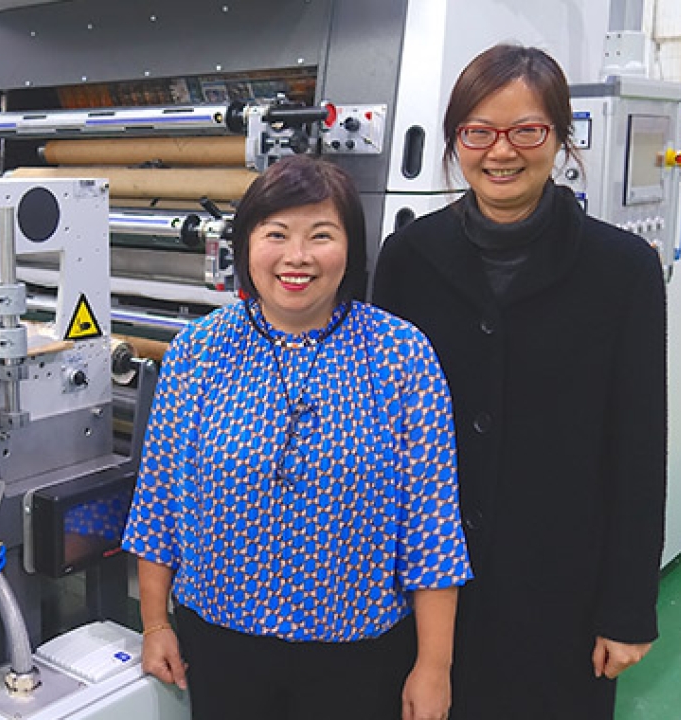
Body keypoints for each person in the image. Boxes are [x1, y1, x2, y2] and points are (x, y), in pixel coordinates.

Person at [372, 44, 668, 719]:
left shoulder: (621, 270)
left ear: (561, 138)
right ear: (456, 142)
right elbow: (380, 429)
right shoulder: (409, 259)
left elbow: (638, 448)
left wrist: (628, 607)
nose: (500, 152)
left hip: (559, 585)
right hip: (425, 589)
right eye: (477, 131)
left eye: (527, 130)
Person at [122, 154, 471, 720]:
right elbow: (158, 500)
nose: (297, 257)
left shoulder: (401, 355)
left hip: (357, 652)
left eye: (321, 235)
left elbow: (432, 527)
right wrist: (156, 623)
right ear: (247, 244)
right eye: (276, 234)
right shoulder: (200, 353)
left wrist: (434, 666)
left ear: (351, 249)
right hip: (220, 643)